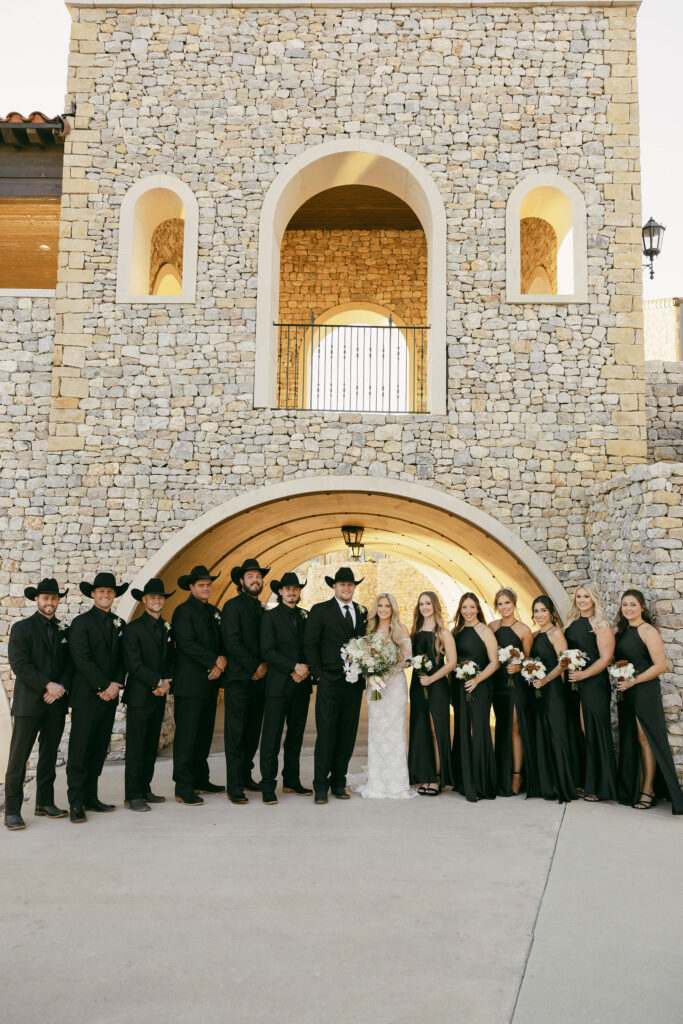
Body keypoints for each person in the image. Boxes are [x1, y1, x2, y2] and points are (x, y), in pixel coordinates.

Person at [4, 578, 71, 831]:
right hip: (29, 704)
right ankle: (12, 810)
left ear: (58, 601)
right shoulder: (22, 628)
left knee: (49, 756)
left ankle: (45, 802)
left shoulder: (64, 630)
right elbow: (19, 664)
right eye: (46, 599)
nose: (50, 603)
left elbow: (70, 664)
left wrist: (60, 687)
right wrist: (47, 685)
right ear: (37, 600)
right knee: (18, 758)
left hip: (55, 703)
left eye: (54, 599)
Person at [66, 571, 129, 823]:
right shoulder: (80, 624)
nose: (106, 595)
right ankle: (75, 803)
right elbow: (81, 659)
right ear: (93, 594)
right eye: (101, 591)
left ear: (114, 595)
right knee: (80, 749)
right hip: (86, 697)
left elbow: (122, 659)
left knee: (98, 748)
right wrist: (103, 685)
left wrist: (115, 685)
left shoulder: (119, 624)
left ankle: (91, 797)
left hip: (109, 696)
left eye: (110, 592)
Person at [614, 589, 683, 814]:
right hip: (626, 691)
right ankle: (635, 786)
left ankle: (648, 789)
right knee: (632, 738)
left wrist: (634, 681)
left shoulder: (648, 631)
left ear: (642, 607)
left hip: (643, 690)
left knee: (646, 739)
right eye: (625, 605)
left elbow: (660, 666)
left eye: (633, 604)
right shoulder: (623, 631)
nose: (628, 609)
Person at [304, 566, 367, 804]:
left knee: (347, 735)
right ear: (334, 587)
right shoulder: (320, 610)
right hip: (329, 682)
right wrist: (318, 674)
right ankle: (320, 785)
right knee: (327, 734)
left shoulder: (361, 611)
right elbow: (310, 644)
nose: (346, 588)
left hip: (353, 685)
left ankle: (339, 782)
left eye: (350, 585)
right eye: (342, 585)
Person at [172, 565, 226, 806]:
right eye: (201, 585)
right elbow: (187, 643)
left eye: (208, 585)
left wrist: (220, 665)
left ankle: (200, 779)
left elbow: (222, 641)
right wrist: (214, 660)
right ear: (192, 587)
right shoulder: (182, 612)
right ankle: (183, 786)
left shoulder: (213, 611)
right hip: (190, 685)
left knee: (204, 735)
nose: (206, 588)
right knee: (186, 737)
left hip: (210, 683)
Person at [352, 593, 414, 800]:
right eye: (380, 605)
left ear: (393, 608)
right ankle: (378, 781)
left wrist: (388, 669)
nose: (384, 609)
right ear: (375, 608)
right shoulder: (369, 629)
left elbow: (408, 659)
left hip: (395, 685)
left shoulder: (401, 629)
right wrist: (371, 671)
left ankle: (397, 783)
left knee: (395, 731)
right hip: (375, 686)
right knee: (377, 730)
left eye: (387, 606)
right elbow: (362, 656)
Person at [259, 572, 312, 804]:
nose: (292, 592)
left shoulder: (305, 616)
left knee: (295, 737)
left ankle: (291, 780)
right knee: (271, 737)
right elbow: (267, 651)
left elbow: (311, 646)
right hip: (278, 686)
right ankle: (268, 785)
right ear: (280, 592)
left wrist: (306, 668)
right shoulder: (269, 617)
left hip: (301, 686)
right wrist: (294, 667)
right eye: (288, 589)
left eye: (296, 589)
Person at [122, 578, 175, 812]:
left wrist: (166, 682)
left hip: (159, 694)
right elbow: (133, 663)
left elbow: (171, 658)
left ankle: (145, 788)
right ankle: (132, 795)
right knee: (136, 746)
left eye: (160, 597)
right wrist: (156, 681)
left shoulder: (166, 626)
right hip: (139, 696)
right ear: (144, 600)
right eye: (152, 597)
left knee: (150, 745)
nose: (157, 601)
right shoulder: (132, 628)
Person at [222, 558, 269, 804]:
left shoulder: (261, 607)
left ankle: (246, 776)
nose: (255, 580)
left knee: (252, 732)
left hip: (259, 681)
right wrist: (255, 666)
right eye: (250, 576)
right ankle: (234, 785)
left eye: (258, 576)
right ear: (241, 581)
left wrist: (265, 667)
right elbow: (232, 642)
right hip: (239, 680)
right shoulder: (232, 607)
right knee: (236, 733)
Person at [564, 584, 617, 802]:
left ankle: (600, 786)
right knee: (579, 729)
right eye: (579, 596)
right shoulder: (571, 623)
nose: (582, 600)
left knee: (593, 729)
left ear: (594, 599)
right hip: (574, 684)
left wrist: (583, 675)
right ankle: (585, 781)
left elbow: (606, 658)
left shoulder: (600, 625)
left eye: (586, 596)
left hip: (593, 684)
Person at [529, 595, 577, 803]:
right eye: (536, 611)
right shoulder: (534, 635)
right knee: (541, 734)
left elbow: (564, 662)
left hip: (553, 691)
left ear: (551, 613)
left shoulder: (555, 633)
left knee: (557, 735)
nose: (539, 615)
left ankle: (562, 785)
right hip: (537, 691)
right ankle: (546, 784)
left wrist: (546, 679)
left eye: (543, 611)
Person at [452, 592, 499, 802]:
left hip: (479, 687)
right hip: (459, 687)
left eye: (472, 607)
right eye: (464, 607)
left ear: (478, 608)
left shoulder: (485, 631)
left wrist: (478, 679)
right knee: (462, 729)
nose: (468, 611)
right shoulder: (457, 631)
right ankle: (463, 780)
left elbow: (494, 662)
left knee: (478, 730)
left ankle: (480, 783)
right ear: (460, 610)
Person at [408, 591, 456, 796]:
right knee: (421, 730)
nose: (424, 607)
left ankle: (437, 778)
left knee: (437, 730)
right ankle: (423, 775)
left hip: (437, 686)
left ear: (435, 605)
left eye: (427, 603)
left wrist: (432, 678)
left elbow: (452, 662)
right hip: (418, 686)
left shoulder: (443, 632)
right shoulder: (415, 630)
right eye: (421, 604)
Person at [489, 587, 535, 796]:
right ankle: (501, 774)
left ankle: (518, 774)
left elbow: (531, 661)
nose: (504, 607)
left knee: (516, 728)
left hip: (516, 686)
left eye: (507, 603)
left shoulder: (524, 630)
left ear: (514, 604)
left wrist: (519, 665)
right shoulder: (491, 627)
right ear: (496, 607)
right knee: (502, 728)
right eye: (500, 604)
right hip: (498, 685)